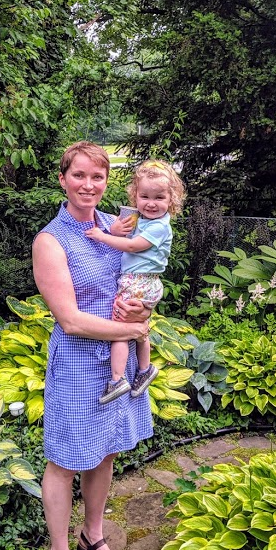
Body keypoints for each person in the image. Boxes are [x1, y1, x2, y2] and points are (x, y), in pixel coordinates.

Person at [32, 141, 154, 550]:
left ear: (107, 182)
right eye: (78, 175)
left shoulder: (115, 225)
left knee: (104, 452)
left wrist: (141, 304)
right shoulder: (51, 241)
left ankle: (92, 536)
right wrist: (137, 328)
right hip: (80, 362)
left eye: (97, 177)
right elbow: (71, 319)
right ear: (63, 179)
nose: (88, 185)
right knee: (64, 462)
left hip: (116, 360)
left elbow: (138, 275)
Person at [85, 160, 185, 404]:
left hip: (138, 282)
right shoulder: (146, 220)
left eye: (159, 198)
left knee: (120, 331)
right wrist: (119, 228)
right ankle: (144, 370)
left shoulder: (160, 227)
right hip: (144, 282)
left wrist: (102, 236)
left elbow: (132, 246)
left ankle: (117, 380)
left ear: (171, 200)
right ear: (135, 196)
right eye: (144, 196)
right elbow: (128, 233)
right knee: (140, 329)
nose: (151, 203)